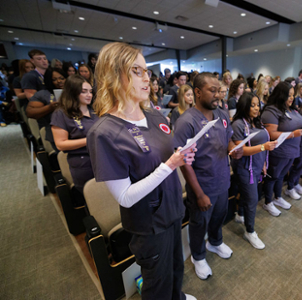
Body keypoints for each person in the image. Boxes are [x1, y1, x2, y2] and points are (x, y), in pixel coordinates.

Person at [86, 42, 197, 300]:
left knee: (176, 267)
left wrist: (182, 156)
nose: (147, 78)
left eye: (146, 71)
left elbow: (167, 156)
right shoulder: (104, 133)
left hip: (171, 210)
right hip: (149, 226)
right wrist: (170, 165)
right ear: (114, 75)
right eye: (137, 71)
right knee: (156, 284)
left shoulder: (155, 116)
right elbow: (125, 196)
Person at [173, 72, 243, 280]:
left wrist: (235, 149)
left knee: (220, 215)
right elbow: (184, 163)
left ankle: (215, 242)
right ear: (197, 92)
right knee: (199, 222)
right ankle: (198, 255)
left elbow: (228, 139)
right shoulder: (187, 122)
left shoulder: (221, 114)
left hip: (222, 178)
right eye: (212, 91)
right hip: (202, 185)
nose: (218, 95)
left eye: (219, 91)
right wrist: (199, 193)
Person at [231, 92, 277, 249]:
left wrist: (263, 161)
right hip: (245, 167)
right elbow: (240, 150)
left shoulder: (257, 122)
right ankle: (249, 232)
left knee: (248, 195)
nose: (257, 108)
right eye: (253, 105)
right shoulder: (237, 124)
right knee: (252, 199)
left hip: (257, 164)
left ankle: (240, 215)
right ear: (244, 106)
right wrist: (264, 147)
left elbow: (263, 141)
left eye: (258, 104)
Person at [261, 82, 302, 217]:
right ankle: (268, 202)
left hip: (292, 149)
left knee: (281, 175)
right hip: (279, 151)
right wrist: (294, 134)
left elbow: (297, 124)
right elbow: (270, 134)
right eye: (289, 95)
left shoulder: (290, 109)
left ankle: (277, 198)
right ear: (281, 95)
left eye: (293, 95)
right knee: (273, 176)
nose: (292, 98)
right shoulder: (271, 110)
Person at [51, 75, 98, 192]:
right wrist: (89, 140)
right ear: (73, 92)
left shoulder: (95, 110)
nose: (89, 95)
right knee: (95, 200)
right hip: (84, 164)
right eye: (84, 92)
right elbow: (60, 144)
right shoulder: (61, 113)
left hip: (103, 159)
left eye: (90, 92)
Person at [26, 68, 68, 149]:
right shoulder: (43, 94)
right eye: (54, 79)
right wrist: (49, 107)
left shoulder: (74, 91)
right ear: (49, 80)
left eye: (62, 78)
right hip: (56, 132)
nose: (59, 81)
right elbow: (30, 112)